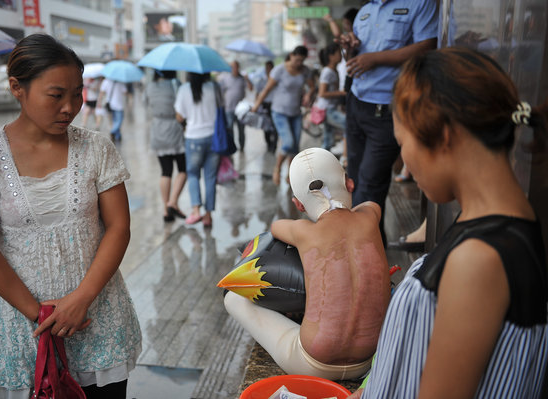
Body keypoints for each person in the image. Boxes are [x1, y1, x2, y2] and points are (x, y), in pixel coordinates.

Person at [0, 34, 141, 398]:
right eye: (56, 95)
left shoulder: (96, 148)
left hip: (98, 316)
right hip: (24, 328)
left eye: (77, 93)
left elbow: (119, 227)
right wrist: (39, 314)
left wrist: (81, 298)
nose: (70, 106)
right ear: (16, 88)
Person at [353, 47, 548, 399]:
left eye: (403, 143)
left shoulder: (480, 260)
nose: (404, 159)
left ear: (442, 133)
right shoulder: (489, 224)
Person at [224, 147, 390, 380]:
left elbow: (275, 227)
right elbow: (369, 206)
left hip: (313, 363)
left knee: (233, 298)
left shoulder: (303, 231)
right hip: (369, 360)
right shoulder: (371, 215)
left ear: (299, 205)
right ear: (350, 184)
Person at [342, 1, 438, 244]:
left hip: (387, 107)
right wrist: (350, 48)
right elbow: (356, 58)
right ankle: (372, 243)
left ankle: (363, 250)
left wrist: (376, 58)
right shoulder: (365, 10)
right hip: (357, 101)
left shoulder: (419, 3)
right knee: (352, 179)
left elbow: (428, 46)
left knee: (370, 182)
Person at [252, 45, 316, 185]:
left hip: (296, 113)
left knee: (295, 147)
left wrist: (309, 94)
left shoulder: (305, 71)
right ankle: (277, 168)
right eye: (297, 60)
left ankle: (290, 174)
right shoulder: (279, 70)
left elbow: (312, 86)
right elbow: (267, 89)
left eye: (302, 61)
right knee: (288, 143)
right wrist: (256, 104)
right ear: (292, 55)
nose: (299, 63)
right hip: (280, 112)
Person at [174, 72, 219, 227]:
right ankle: (208, 216)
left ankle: (195, 212)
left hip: (193, 138)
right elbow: (221, 109)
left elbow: (179, 116)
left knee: (193, 174)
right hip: (213, 138)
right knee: (210, 177)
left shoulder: (184, 89)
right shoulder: (214, 87)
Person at [146, 70, 186, 222]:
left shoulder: (150, 86)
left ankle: (165, 210)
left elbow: (146, 104)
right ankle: (172, 202)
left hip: (157, 130)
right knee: (183, 168)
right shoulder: (176, 85)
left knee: (166, 171)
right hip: (174, 130)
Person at [313, 43, 345, 151]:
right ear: (331, 56)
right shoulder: (328, 71)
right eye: (338, 53)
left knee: (328, 137)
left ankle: (324, 159)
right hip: (327, 109)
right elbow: (322, 93)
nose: (341, 55)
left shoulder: (333, 71)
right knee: (348, 126)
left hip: (329, 108)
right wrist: (341, 93)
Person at [218, 60, 253, 152]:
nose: (234, 69)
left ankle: (242, 147)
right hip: (229, 108)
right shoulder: (225, 78)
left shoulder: (242, 79)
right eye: (232, 67)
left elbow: (251, 88)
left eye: (236, 67)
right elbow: (221, 92)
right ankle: (232, 147)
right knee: (230, 129)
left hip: (240, 110)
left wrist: (247, 79)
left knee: (241, 130)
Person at [254, 60, 277, 153]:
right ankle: (268, 143)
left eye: (270, 68)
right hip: (264, 105)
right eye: (267, 68)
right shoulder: (262, 81)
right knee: (266, 127)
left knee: (275, 127)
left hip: (275, 105)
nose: (268, 70)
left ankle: (274, 145)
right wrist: (257, 104)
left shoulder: (276, 81)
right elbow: (257, 93)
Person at [97, 77, 128, 141]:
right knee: (119, 120)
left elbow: (101, 93)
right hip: (119, 105)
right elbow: (125, 92)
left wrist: (99, 102)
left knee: (115, 120)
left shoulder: (105, 81)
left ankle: (118, 136)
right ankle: (113, 131)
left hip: (110, 104)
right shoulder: (120, 82)